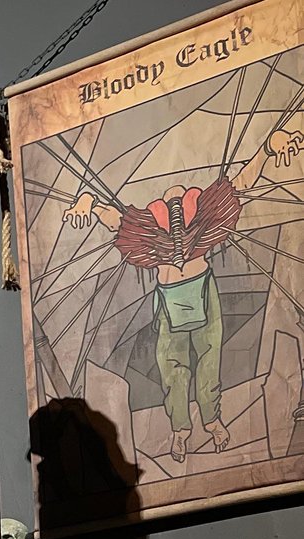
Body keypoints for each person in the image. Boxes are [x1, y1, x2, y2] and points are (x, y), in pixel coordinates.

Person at [62, 125, 304, 461]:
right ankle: (180, 430)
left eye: (180, 195)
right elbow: (116, 220)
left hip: (201, 290)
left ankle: (211, 420)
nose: (175, 198)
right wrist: (89, 202)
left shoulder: (202, 209)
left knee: (207, 361)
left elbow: (241, 184)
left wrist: (268, 147)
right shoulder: (150, 223)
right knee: (173, 367)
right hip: (170, 298)